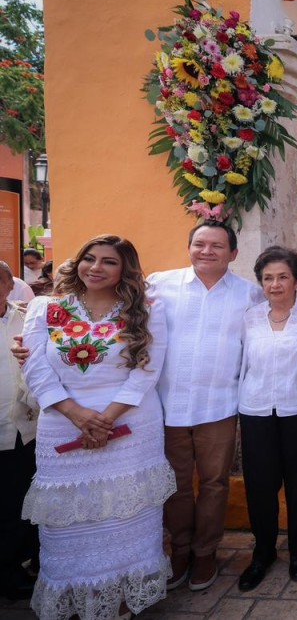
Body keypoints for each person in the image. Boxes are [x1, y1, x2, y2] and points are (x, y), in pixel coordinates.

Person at [21, 235, 174, 620]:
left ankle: (122, 596)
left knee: (127, 516)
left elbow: (148, 370)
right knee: (68, 520)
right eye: (89, 258)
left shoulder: (146, 310)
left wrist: (106, 418)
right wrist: (75, 414)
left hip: (130, 424)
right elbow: (35, 366)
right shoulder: (46, 309)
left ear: (125, 270)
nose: (96, 267)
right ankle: (76, 597)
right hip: (61, 423)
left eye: (109, 261)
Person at [148, 220, 263, 592]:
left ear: (233, 253)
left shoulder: (250, 295)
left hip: (220, 406)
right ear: (189, 247)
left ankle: (204, 553)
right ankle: (179, 549)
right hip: (168, 406)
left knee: (214, 484)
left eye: (216, 246)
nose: (206, 251)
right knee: (176, 485)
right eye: (199, 244)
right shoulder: (159, 286)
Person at [236, 246, 297, 591]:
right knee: (260, 487)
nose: (275, 284)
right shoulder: (250, 317)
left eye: (283, 277)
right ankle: (263, 552)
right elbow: (240, 363)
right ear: (261, 283)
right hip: (256, 410)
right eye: (268, 278)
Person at [0, 260, 37, 601]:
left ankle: (11, 573)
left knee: (15, 506)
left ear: (8, 285)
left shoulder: (26, 317)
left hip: (18, 428)